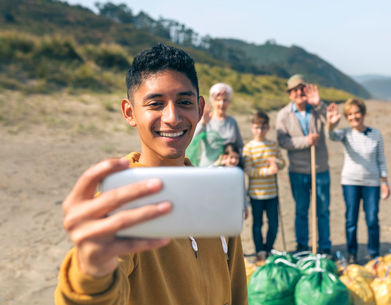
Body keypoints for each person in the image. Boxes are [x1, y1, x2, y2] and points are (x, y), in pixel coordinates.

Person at [54, 43, 248, 305]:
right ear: (129, 112)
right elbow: (96, 293)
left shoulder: (214, 196)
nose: (172, 117)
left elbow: (236, 291)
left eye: (184, 102)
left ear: (200, 109)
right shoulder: (122, 203)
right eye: (155, 103)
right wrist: (90, 270)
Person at [326, 98, 390, 264]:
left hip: (372, 184)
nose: (354, 117)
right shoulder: (346, 134)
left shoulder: (375, 134)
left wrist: (384, 182)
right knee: (351, 220)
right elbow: (331, 135)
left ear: (363, 113)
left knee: (372, 220)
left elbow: (381, 159)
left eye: (356, 113)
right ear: (346, 117)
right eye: (349, 114)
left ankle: (374, 254)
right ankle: (352, 254)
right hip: (350, 182)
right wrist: (331, 123)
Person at [276, 74, 332, 255]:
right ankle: (302, 246)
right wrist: (306, 141)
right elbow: (283, 141)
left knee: (322, 210)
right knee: (301, 210)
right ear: (290, 94)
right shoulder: (283, 115)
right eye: (295, 89)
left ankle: (324, 246)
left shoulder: (316, 109)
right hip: (298, 171)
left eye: (302, 88)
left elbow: (331, 123)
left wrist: (319, 104)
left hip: (320, 169)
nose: (299, 92)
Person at [242, 111, 286, 261]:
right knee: (257, 224)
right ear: (252, 128)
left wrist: (276, 163)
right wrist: (267, 171)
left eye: (263, 128)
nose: (259, 131)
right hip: (256, 194)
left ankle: (269, 248)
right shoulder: (248, 148)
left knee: (273, 224)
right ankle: (259, 250)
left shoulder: (273, 145)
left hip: (272, 193)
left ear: (268, 128)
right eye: (256, 127)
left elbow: (282, 162)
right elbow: (248, 170)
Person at [192, 83, 244, 166]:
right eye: (218, 100)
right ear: (212, 102)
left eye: (225, 100)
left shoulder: (232, 122)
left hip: (228, 168)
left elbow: (240, 146)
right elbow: (191, 140)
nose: (221, 103)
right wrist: (202, 124)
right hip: (208, 168)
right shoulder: (206, 120)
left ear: (229, 102)